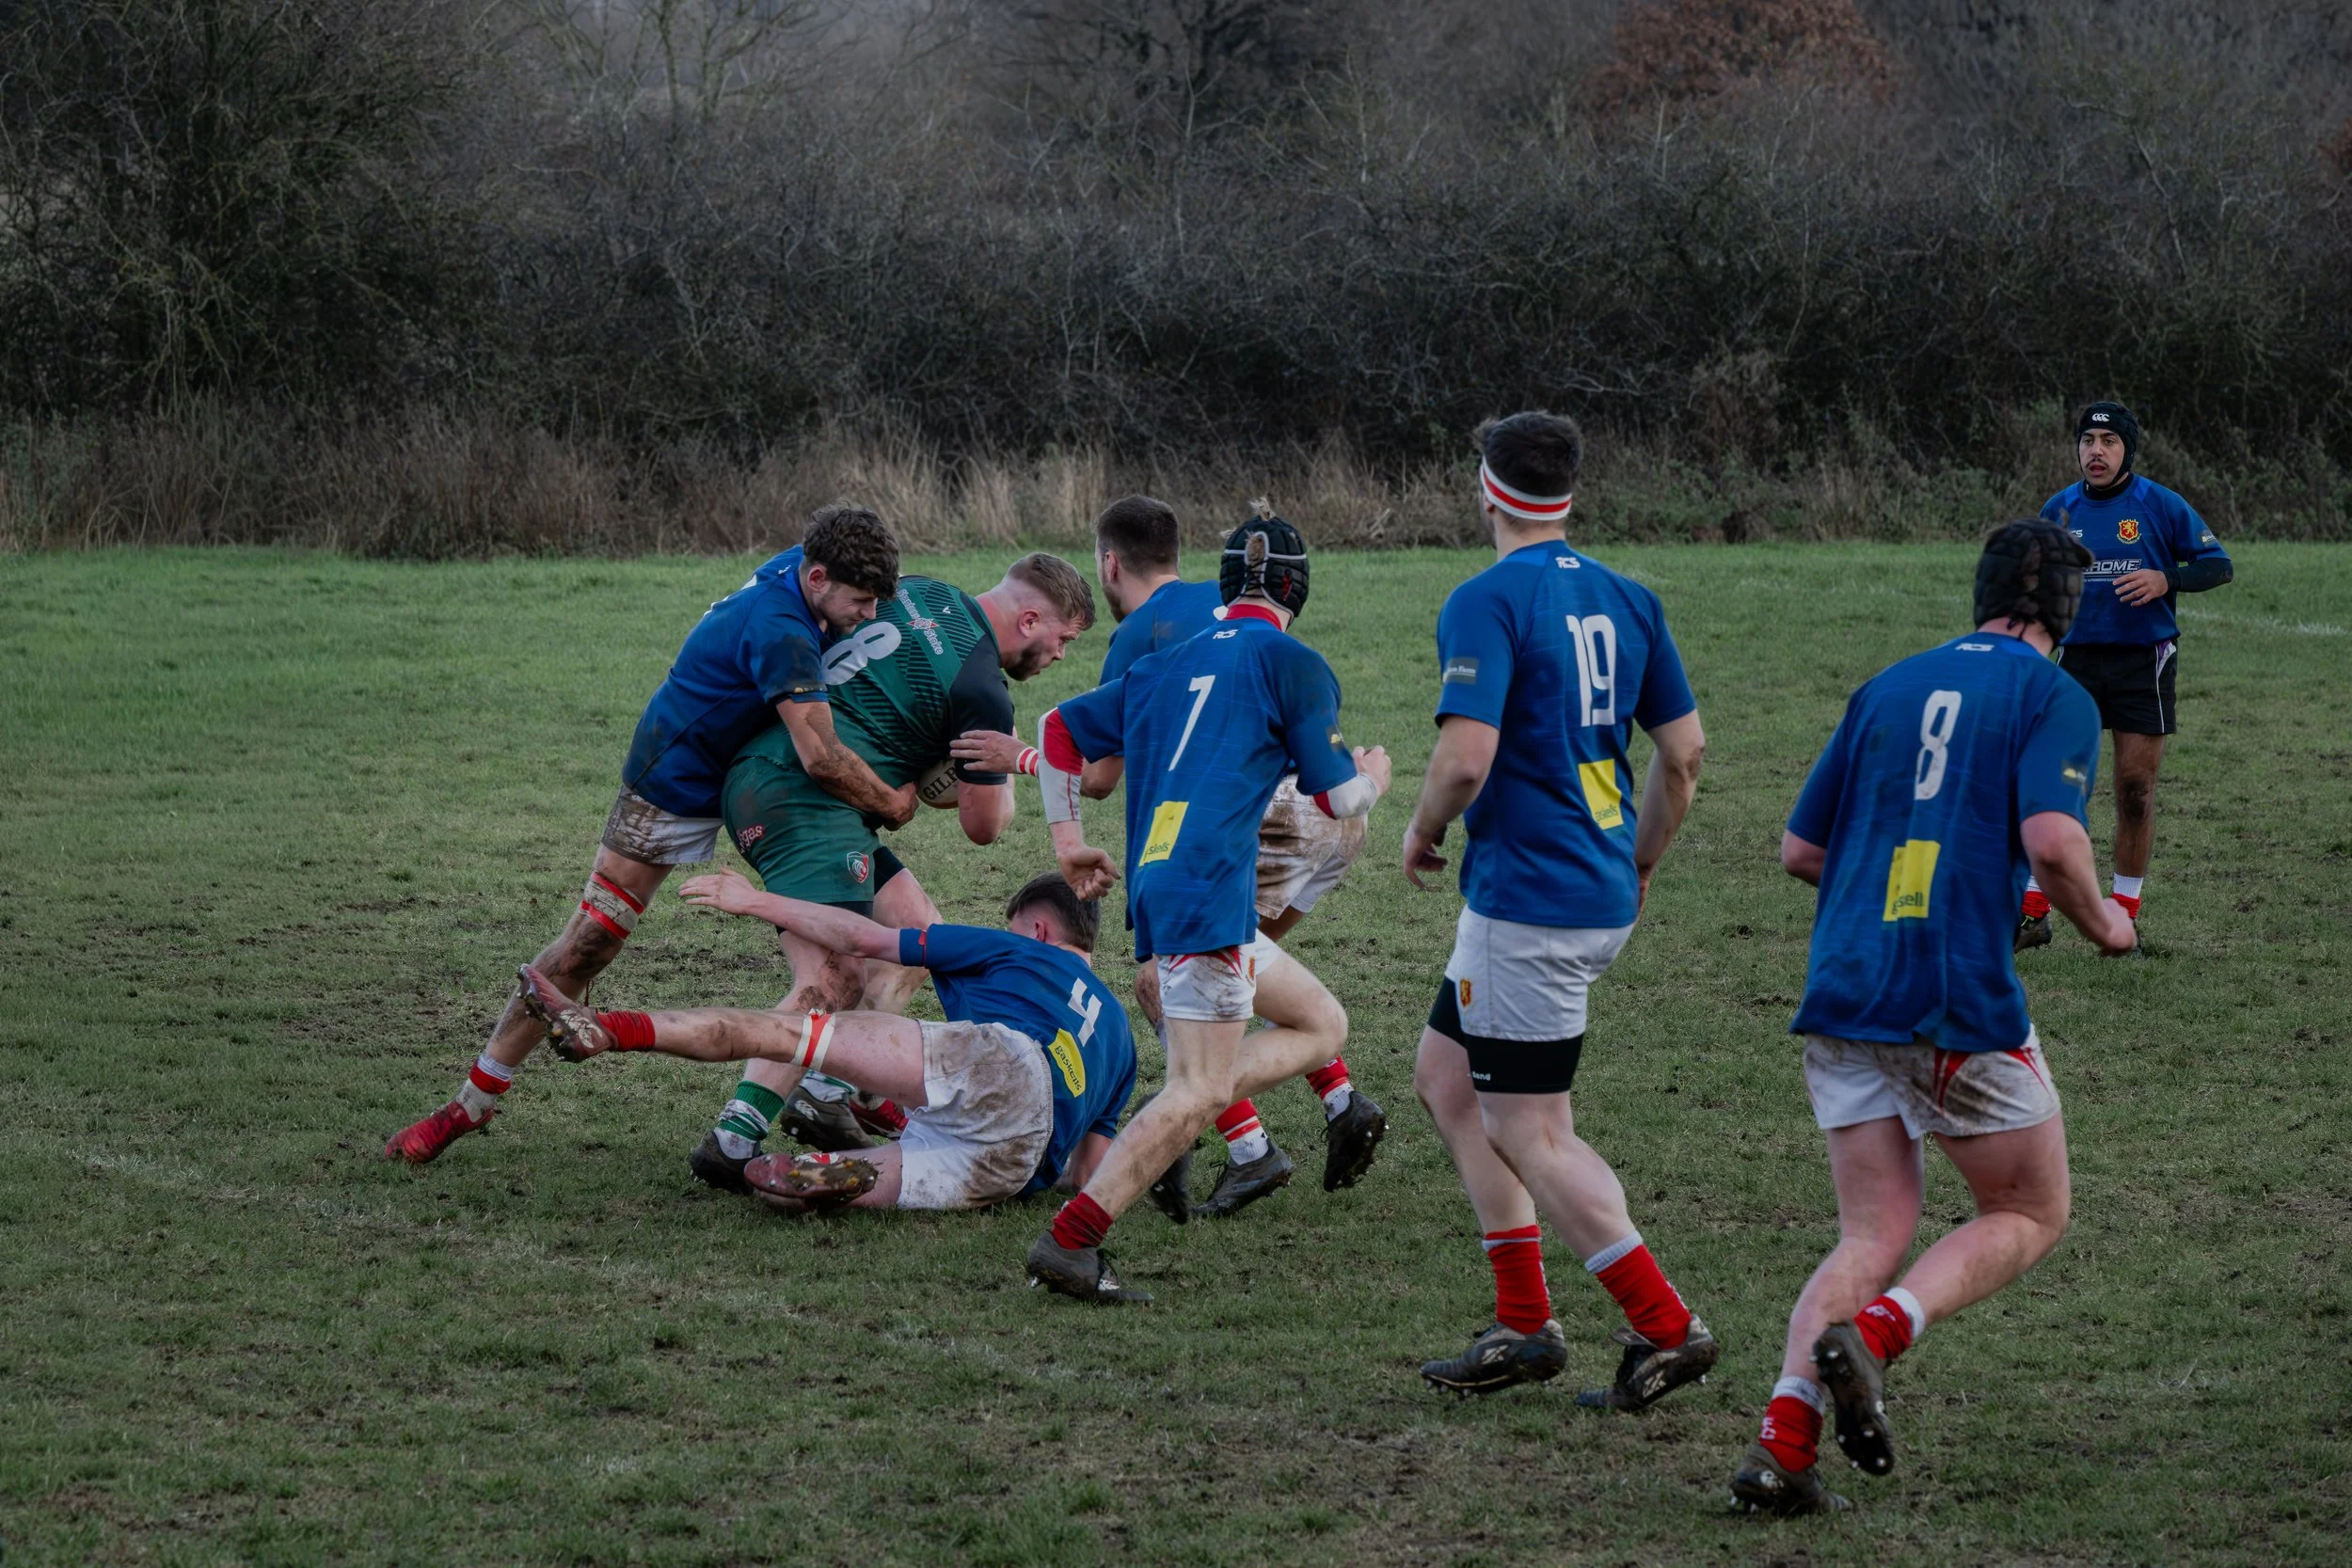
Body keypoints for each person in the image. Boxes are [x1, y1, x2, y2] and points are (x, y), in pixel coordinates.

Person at [1731, 519, 2136, 1516]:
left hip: (1844, 983)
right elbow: (2051, 841)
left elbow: (1798, 849)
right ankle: (1877, 1334)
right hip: (1948, 993)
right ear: (2062, 615)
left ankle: (1783, 1443)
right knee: (2030, 1210)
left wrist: (1895, 880)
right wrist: (2107, 925)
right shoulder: (2056, 695)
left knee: (1869, 1228)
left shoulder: (1888, 682)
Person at [384, 505, 906, 1164]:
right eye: (859, 601)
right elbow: (824, 758)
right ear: (817, 576)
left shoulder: (808, 577)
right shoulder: (781, 629)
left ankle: (839, 1087)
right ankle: (471, 1102)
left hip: (770, 784)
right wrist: (894, 802)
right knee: (586, 947)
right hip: (677, 782)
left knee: (856, 958)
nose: (865, 615)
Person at [1400, 411, 1717, 1410]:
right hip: (1590, 885)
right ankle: (1524, 1321)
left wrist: (1421, 829)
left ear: (1485, 489)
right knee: (1447, 1078)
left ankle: (1666, 1326)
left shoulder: (1485, 597)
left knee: (1529, 1131)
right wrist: (1645, 857)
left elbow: (1463, 758)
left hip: (1526, 901)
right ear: (1570, 495)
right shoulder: (1629, 595)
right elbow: (1685, 752)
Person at [961, 494, 1388, 1222]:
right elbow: (1333, 783)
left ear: (1110, 563)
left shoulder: (1145, 638)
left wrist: (1024, 761)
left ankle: (1226, 1141)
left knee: (1172, 986)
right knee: (1243, 979)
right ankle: (1336, 1102)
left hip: (1232, 829)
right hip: (1321, 819)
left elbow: (1096, 775)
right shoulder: (1260, 634)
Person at [690, 554, 1099, 1193]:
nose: (1060, 656)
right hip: (799, 793)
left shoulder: (921, 590)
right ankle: (732, 1137)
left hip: (789, 778)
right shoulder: (984, 689)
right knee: (832, 974)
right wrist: (1009, 760)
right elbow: (983, 825)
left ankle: (825, 1091)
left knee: (918, 936)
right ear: (1029, 619)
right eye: (1063, 639)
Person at [519, 869, 1136, 1213]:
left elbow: (866, 939)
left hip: (1002, 1061)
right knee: (776, 1182)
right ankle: (823, 1172)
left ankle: (608, 1026)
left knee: (780, 1033)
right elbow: (1087, 1177)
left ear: (1036, 927)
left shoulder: (1020, 948)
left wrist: (757, 900)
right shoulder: (1122, 1040)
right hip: (1015, 1161)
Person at [2016, 402, 2232, 951]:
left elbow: (2218, 565)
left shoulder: (2160, 504)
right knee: (2056, 787)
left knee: (2134, 791)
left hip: (2143, 661)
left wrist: (2167, 579)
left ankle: (2124, 916)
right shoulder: (2059, 508)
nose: (2097, 451)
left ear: (2127, 451)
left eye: (2109, 442)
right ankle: (2031, 915)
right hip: (2076, 663)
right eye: (2088, 441)